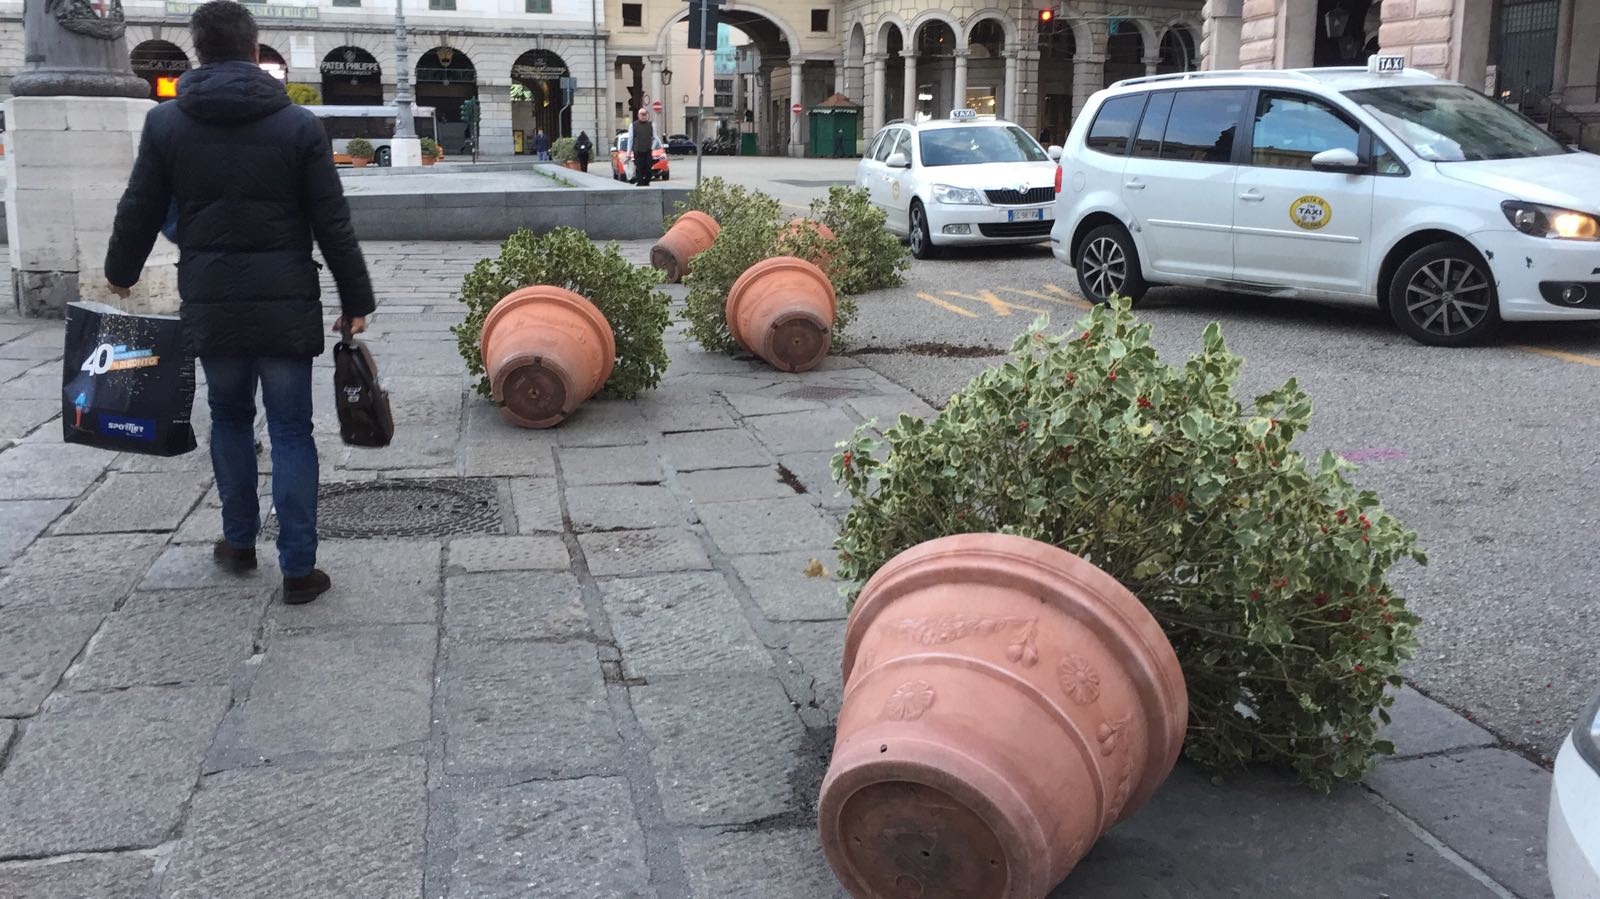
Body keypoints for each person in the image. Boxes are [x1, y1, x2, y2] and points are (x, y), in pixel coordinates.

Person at [104, 0, 375, 605]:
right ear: (256, 51)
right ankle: (300, 571)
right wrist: (356, 299)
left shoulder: (167, 124)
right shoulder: (299, 125)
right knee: (290, 429)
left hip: (211, 300)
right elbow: (333, 222)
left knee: (227, 417)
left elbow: (139, 206)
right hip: (286, 301)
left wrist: (119, 272)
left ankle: (238, 541)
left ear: (198, 51)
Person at [630, 108, 654, 187]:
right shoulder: (633, 125)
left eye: (645, 114)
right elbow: (630, 139)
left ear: (647, 115)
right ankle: (640, 183)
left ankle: (646, 182)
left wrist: (652, 147)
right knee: (639, 168)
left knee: (648, 169)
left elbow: (654, 138)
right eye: (642, 114)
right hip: (638, 150)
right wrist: (628, 152)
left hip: (647, 150)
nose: (643, 116)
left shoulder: (651, 125)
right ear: (638, 115)